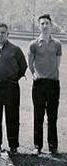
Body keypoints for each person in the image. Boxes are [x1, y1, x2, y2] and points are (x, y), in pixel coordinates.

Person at [0, 23, 27, 153]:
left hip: (11, 86)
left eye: (3, 32)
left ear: (8, 34)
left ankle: (13, 145)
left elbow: (23, 66)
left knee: (12, 116)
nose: (0, 35)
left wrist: (13, 79)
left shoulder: (15, 49)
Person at [28, 14, 62, 155]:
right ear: (39, 26)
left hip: (53, 83)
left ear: (51, 25)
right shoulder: (34, 44)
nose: (45, 26)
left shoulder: (57, 44)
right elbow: (30, 63)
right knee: (38, 116)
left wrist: (51, 74)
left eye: (47, 23)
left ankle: (53, 146)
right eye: (42, 23)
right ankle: (38, 146)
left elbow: (57, 63)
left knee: (52, 116)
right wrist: (35, 74)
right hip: (39, 84)